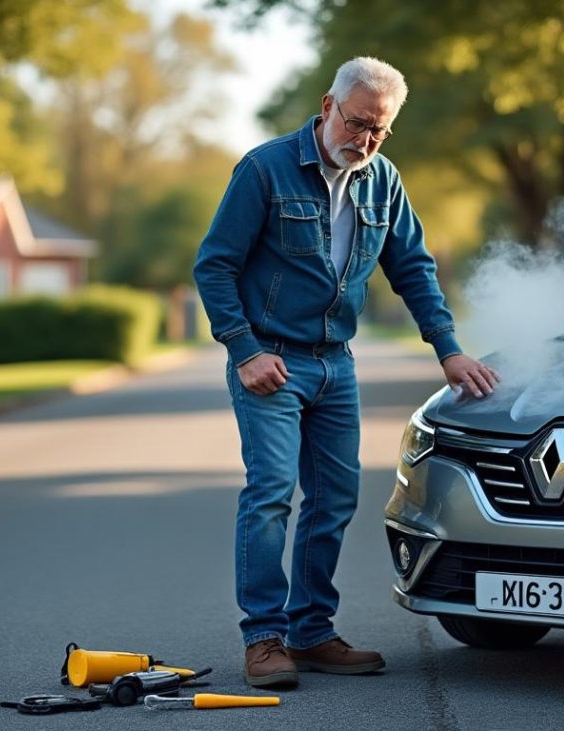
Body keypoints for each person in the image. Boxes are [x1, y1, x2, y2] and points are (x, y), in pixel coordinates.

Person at [193, 56, 500, 689]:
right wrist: (245, 350)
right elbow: (214, 267)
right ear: (328, 106)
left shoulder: (382, 180)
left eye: (379, 131)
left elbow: (412, 267)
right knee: (273, 491)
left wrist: (448, 349)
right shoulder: (264, 169)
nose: (364, 140)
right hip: (271, 363)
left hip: (337, 364)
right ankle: (265, 638)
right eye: (357, 123)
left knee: (335, 500)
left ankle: (310, 631)